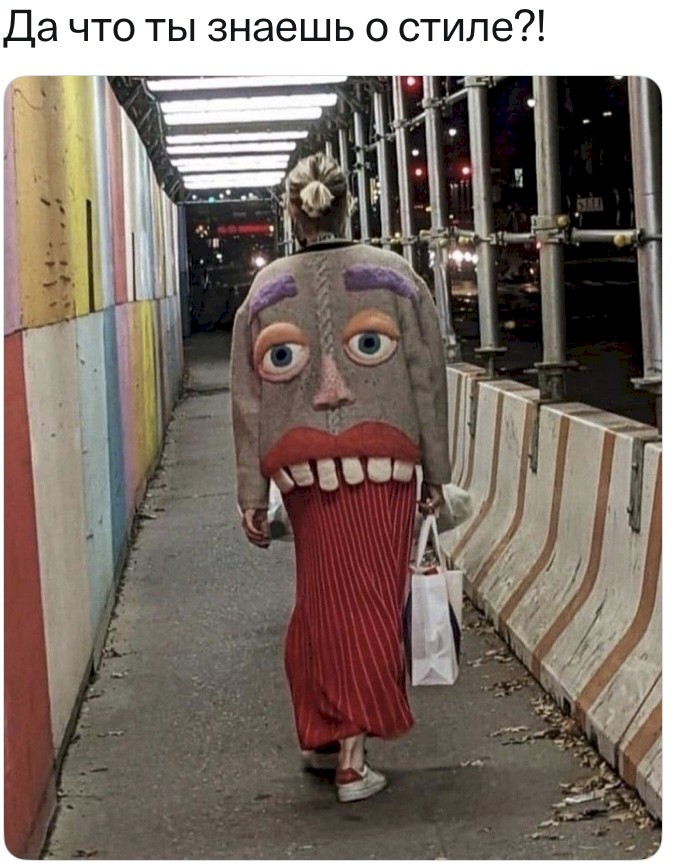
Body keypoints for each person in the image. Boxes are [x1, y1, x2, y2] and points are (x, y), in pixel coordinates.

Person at [230, 153, 451, 803]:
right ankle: (352, 759)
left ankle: (323, 733)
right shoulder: (397, 277)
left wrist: (251, 493)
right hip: (386, 465)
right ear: (349, 205)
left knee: (320, 601)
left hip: (302, 475)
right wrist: (437, 472)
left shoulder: (265, 288)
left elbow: (247, 401)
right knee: (370, 603)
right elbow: (427, 379)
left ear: (292, 214)